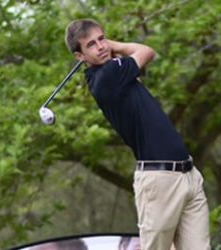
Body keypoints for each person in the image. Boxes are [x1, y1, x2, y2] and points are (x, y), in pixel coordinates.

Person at [64, 19, 211, 250]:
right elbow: (146, 51)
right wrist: (115, 44)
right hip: (159, 181)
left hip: (189, 175)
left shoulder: (116, 71)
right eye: (91, 44)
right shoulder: (108, 76)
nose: (101, 46)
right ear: (79, 56)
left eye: (102, 38)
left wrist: (107, 48)